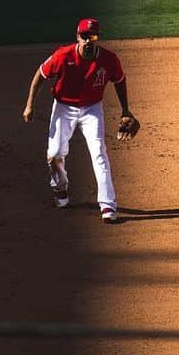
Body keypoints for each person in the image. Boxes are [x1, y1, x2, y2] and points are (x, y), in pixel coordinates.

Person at [22, 17, 138, 223]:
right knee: (55, 153)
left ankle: (108, 206)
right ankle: (60, 188)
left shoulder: (109, 59)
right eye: (84, 36)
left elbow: (120, 81)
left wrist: (126, 110)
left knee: (99, 154)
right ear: (77, 36)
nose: (88, 40)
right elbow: (40, 74)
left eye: (92, 36)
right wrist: (30, 104)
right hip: (63, 108)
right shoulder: (63, 55)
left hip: (92, 109)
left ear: (97, 38)